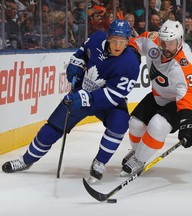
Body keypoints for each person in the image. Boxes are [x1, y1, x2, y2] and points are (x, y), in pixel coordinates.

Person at [2, 20, 140, 182]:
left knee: (120, 123)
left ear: (128, 41)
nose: (118, 45)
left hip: (105, 101)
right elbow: (81, 53)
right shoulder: (96, 39)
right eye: (115, 40)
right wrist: (75, 64)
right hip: (82, 91)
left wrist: (84, 98)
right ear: (108, 37)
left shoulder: (130, 63)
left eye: (122, 41)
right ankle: (26, 160)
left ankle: (100, 162)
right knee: (52, 128)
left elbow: (114, 95)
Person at [120, 20, 192, 176]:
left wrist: (187, 121)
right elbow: (135, 44)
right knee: (135, 124)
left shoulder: (184, 64)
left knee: (157, 125)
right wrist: (132, 56)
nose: (165, 47)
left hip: (186, 98)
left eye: (171, 43)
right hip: (161, 94)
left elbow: (186, 95)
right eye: (163, 42)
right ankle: (138, 154)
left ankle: (140, 160)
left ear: (180, 41)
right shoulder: (153, 40)